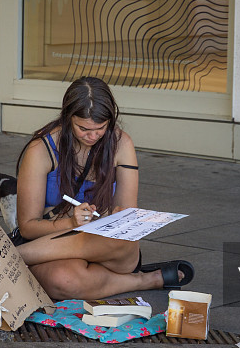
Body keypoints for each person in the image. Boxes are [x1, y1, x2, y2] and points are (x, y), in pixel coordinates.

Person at [14, 76, 193, 300]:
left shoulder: (121, 143)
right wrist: (70, 223)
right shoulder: (41, 149)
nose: (93, 136)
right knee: (63, 281)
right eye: (83, 128)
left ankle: (12, 256)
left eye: (100, 128)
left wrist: (119, 216)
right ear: (68, 118)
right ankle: (143, 280)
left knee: (119, 239)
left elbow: (128, 216)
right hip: (54, 244)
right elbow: (28, 228)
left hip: (108, 247)